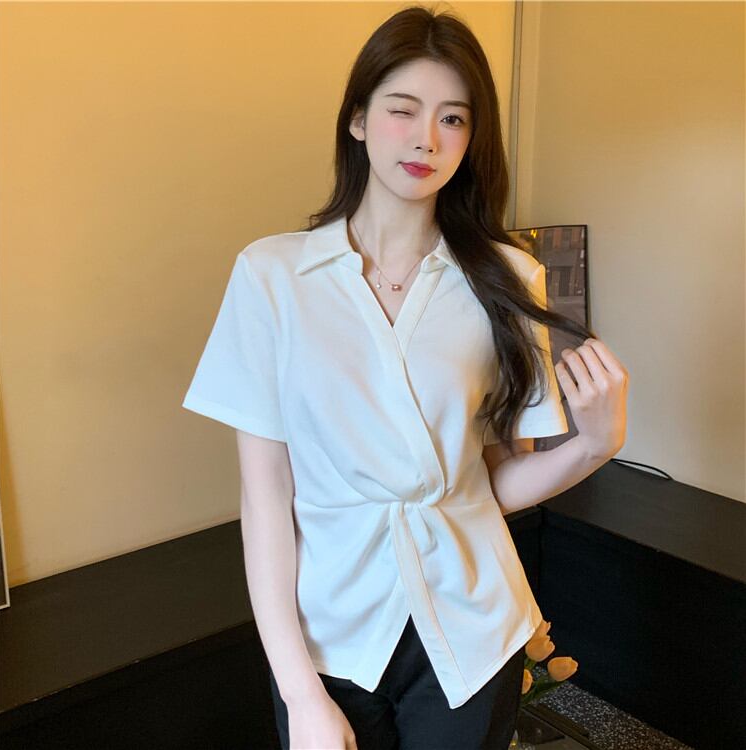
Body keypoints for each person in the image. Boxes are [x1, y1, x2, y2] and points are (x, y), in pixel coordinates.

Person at [182, 6, 629, 749]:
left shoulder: (509, 278)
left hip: (473, 628)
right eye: (403, 109)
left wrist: (592, 446)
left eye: (453, 118)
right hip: (329, 635)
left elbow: (489, 486)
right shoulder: (272, 277)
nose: (427, 138)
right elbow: (265, 502)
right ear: (358, 120)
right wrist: (299, 693)